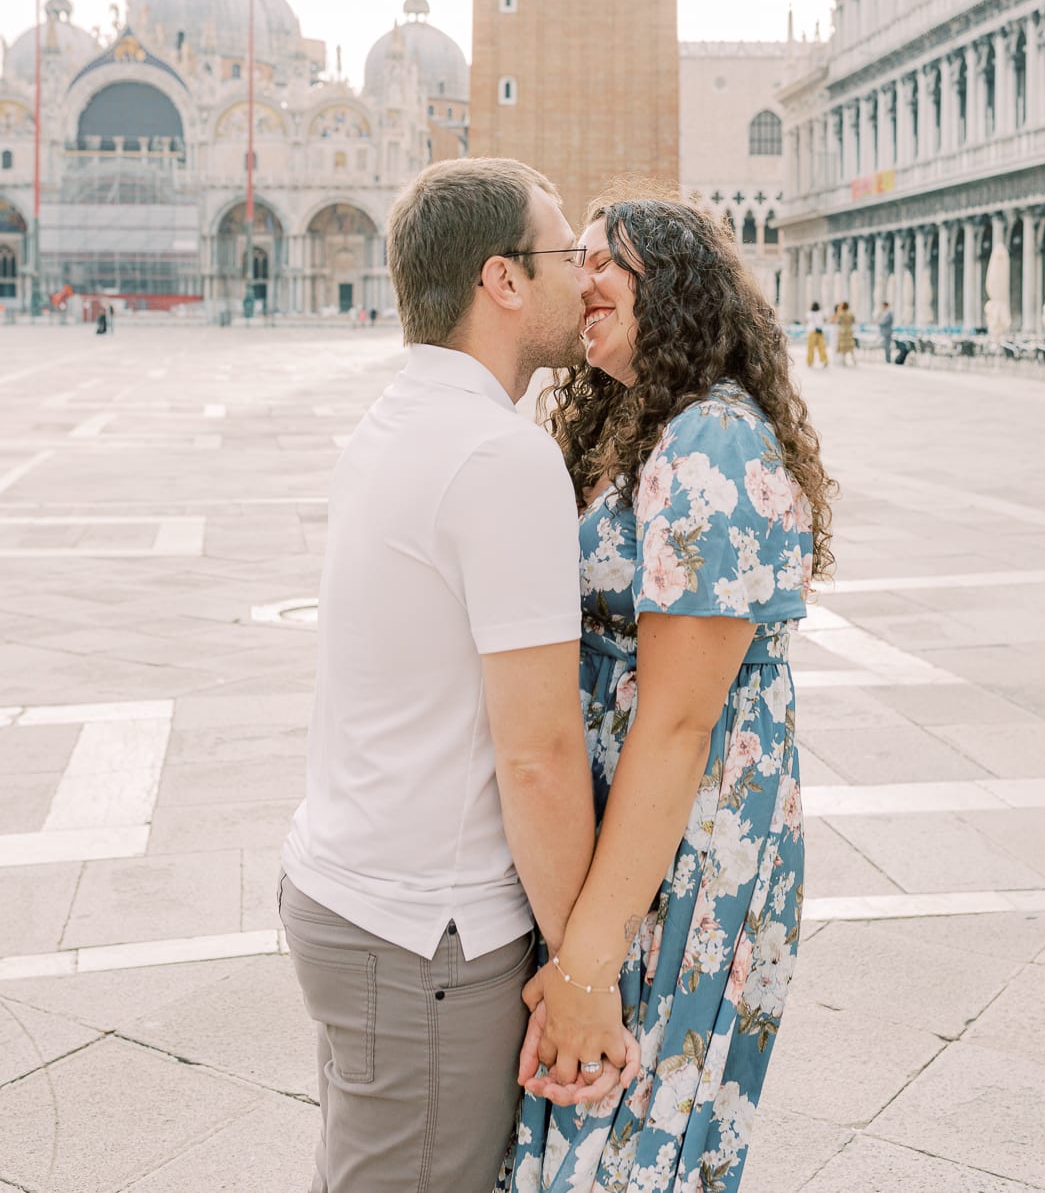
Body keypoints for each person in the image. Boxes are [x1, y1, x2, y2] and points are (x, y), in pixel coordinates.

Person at [279, 158, 625, 1193]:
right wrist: (579, 977)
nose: (587, 277)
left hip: (357, 895)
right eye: (567, 253)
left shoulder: (395, 422)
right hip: (425, 930)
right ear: (503, 282)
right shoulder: (497, 458)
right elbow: (537, 753)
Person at [512, 197, 835, 1193]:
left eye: (612, 262)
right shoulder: (642, 426)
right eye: (581, 258)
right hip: (641, 844)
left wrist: (584, 966)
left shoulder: (713, 442)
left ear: (679, 290)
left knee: (628, 1144)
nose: (583, 278)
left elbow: (682, 719)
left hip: (689, 849)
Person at [805, 299, 828, 368]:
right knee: (822, 347)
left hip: (812, 331)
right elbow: (824, 320)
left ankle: (810, 362)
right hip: (820, 331)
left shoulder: (809, 313)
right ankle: (824, 360)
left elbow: (807, 321)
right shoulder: (821, 313)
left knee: (810, 348)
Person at [836, 300, 856, 366]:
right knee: (850, 347)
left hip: (842, 331)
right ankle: (854, 361)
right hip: (849, 331)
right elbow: (854, 320)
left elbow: (838, 322)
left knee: (843, 347)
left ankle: (844, 362)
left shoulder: (840, 313)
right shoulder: (850, 313)